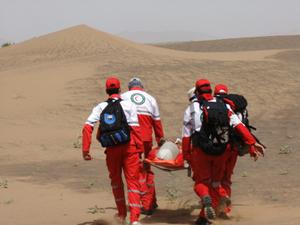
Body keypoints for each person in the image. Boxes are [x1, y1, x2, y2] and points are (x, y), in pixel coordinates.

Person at [182, 79, 265, 225]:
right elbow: (239, 125)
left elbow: (186, 136)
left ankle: (205, 198)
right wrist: (251, 143)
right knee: (215, 183)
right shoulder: (225, 105)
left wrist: (186, 156)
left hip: (201, 151)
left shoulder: (192, 108)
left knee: (201, 183)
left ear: (196, 92)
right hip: (222, 151)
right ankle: (204, 217)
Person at [81, 77, 144, 225]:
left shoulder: (100, 106)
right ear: (120, 90)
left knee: (116, 182)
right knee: (133, 183)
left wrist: (85, 150)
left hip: (111, 150)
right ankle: (135, 219)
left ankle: (121, 216)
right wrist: (139, 150)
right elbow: (135, 129)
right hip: (130, 148)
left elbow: (87, 127)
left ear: (107, 90)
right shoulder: (129, 105)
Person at [121, 77, 164, 215]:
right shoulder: (150, 98)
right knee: (147, 167)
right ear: (141, 87)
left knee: (138, 171)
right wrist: (160, 140)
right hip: (146, 139)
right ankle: (152, 200)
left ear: (130, 88)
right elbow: (157, 122)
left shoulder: (123, 97)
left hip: (132, 140)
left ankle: (146, 205)